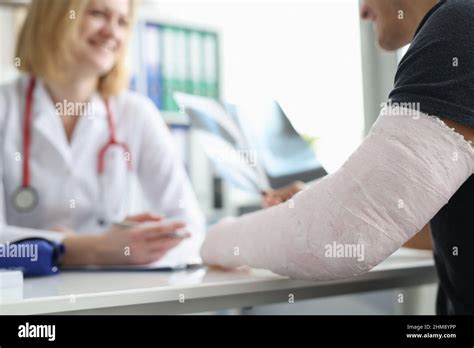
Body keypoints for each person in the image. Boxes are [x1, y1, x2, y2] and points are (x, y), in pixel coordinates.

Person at [201, 0, 474, 315]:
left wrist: (216, 240)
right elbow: (439, 228)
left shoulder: (460, 24)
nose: (362, 12)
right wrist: (312, 206)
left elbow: (336, 237)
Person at [0, 0, 205, 267]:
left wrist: (145, 241)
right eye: (98, 14)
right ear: (52, 18)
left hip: (112, 295)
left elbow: (190, 226)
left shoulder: (137, 113)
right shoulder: (6, 107)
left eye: (122, 22)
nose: (113, 33)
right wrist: (91, 248)